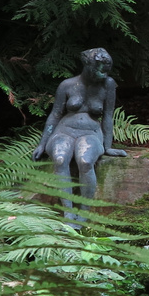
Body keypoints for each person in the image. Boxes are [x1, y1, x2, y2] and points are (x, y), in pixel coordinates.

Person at [33, 48, 127, 218]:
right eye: (99, 70)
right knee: (60, 159)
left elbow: (107, 117)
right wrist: (42, 143)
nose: (103, 75)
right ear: (88, 66)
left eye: (106, 71)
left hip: (90, 133)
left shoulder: (108, 84)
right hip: (64, 130)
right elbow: (55, 115)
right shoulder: (67, 85)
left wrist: (107, 146)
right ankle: (68, 211)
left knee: (85, 161)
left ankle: (83, 212)